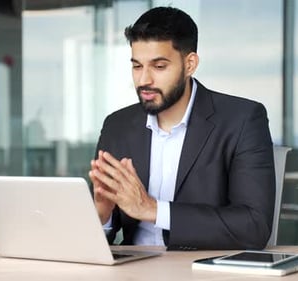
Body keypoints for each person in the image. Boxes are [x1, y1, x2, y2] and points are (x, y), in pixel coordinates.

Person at [88, 7, 275, 250]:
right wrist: (101, 216)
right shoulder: (117, 126)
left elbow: (254, 226)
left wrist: (154, 210)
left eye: (159, 66)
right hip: (131, 270)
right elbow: (100, 239)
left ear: (190, 64)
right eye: (137, 66)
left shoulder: (242, 120)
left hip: (203, 271)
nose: (144, 80)